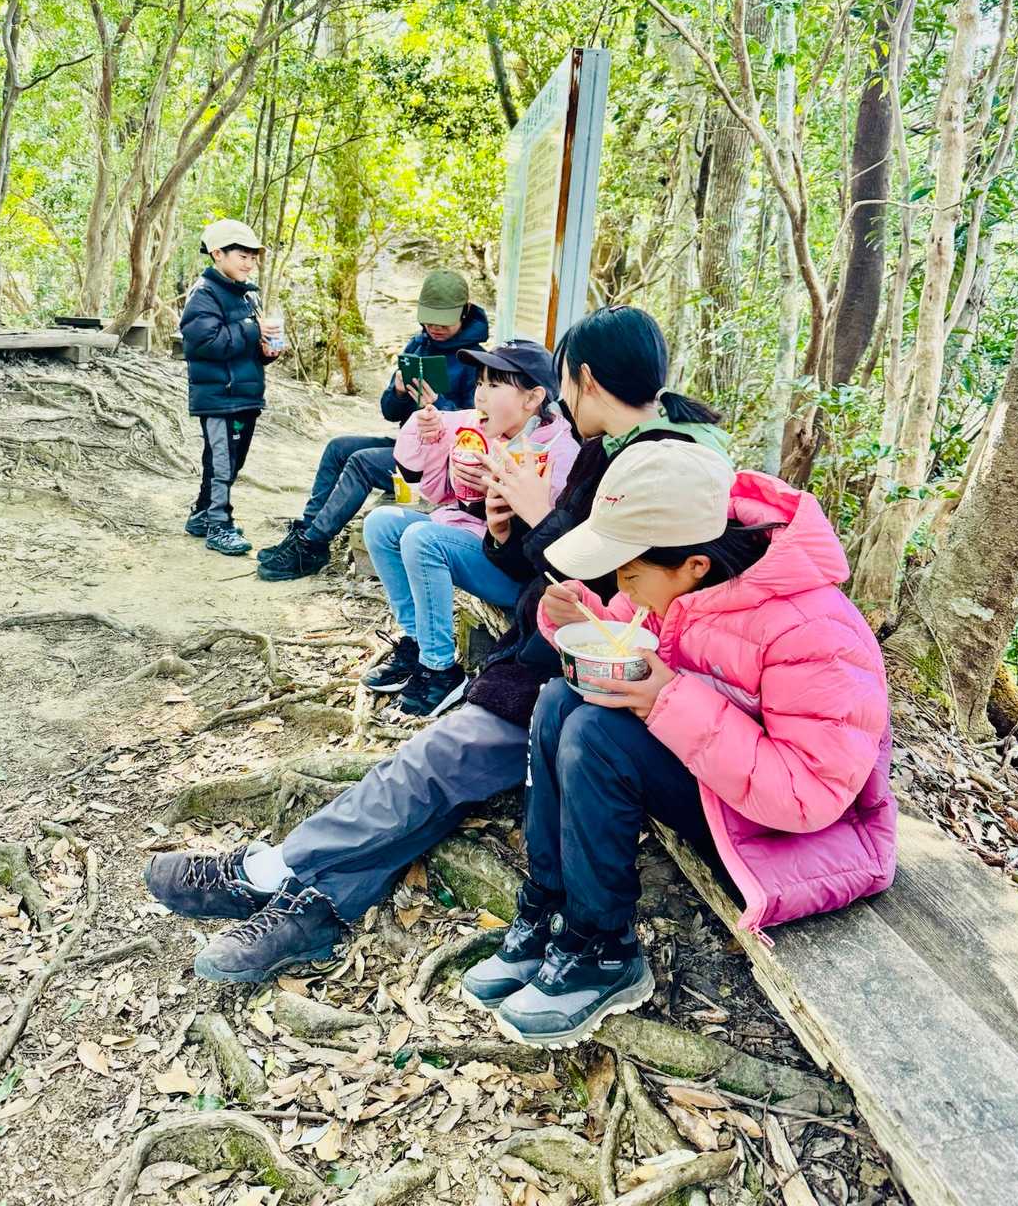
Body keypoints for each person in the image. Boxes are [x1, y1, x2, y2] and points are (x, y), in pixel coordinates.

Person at [142, 308, 727, 985]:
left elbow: (622, 588)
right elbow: (553, 570)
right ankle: (315, 909)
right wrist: (506, 530)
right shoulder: (611, 448)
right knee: (438, 774)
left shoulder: (660, 464)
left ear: (583, 378)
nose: (562, 396)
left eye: (561, 378)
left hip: (592, 684)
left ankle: (265, 871)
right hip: (550, 655)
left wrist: (538, 518)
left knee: (432, 763)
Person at [462, 440, 896, 1049]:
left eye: (629, 573)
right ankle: (550, 908)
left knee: (596, 733)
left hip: (794, 832)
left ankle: (605, 948)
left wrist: (667, 699)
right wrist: (580, 619)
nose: (621, 586)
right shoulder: (678, 585)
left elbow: (809, 797)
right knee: (561, 700)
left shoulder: (814, 630)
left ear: (693, 564)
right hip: (719, 781)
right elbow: (631, 635)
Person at [361, 338, 578, 718]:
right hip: (467, 539)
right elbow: (435, 494)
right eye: (479, 382)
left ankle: (440, 670)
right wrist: (433, 440)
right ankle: (416, 641)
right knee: (381, 524)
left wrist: (497, 495)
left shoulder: (557, 450)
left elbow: (544, 546)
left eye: (494, 385)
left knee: (422, 539)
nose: (480, 395)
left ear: (532, 398)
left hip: (517, 576)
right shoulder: (476, 428)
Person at [256, 269, 488, 581]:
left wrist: (439, 406)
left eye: (443, 322)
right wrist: (398, 392)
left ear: (464, 312)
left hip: (441, 466)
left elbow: (478, 429)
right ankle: (306, 532)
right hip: (411, 447)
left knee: (362, 462)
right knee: (338, 448)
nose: (434, 328)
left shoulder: (475, 360)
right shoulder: (418, 346)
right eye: (429, 320)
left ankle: (314, 544)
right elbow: (389, 412)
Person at [180, 219, 282, 556]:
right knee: (221, 463)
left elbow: (246, 344)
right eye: (242, 256)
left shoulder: (248, 294)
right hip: (219, 397)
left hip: (245, 396)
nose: (249, 263)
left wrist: (266, 351)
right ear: (217, 254)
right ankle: (219, 525)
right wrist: (253, 330)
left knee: (232, 462)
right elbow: (205, 343)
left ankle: (202, 514)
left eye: (253, 257)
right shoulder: (204, 294)